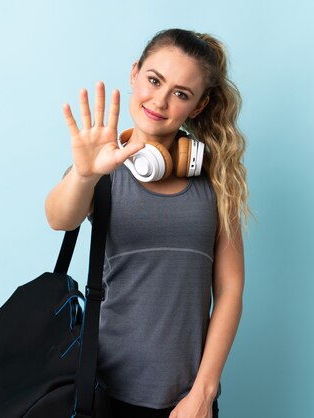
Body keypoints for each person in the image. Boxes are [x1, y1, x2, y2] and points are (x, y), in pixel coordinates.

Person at [45, 28, 248, 418]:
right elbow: (58, 218)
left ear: (199, 106)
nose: (160, 100)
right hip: (102, 393)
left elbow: (230, 289)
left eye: (181, 93)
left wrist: (203, 394)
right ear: (135, 73)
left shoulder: (217, 179)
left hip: (187, 402)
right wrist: (85, 174)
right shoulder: (102, 168)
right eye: (154, 80)